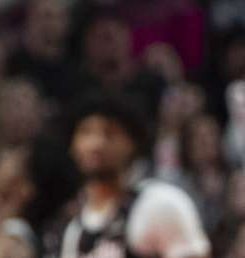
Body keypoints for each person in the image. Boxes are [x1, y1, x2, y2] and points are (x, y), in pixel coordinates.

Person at [60, 91, 211, 258]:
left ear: (132, 143)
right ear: (73, 146)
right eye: (86, 132)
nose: (97, 143)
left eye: (110, 133)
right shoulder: (74, 230)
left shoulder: (159, 203)